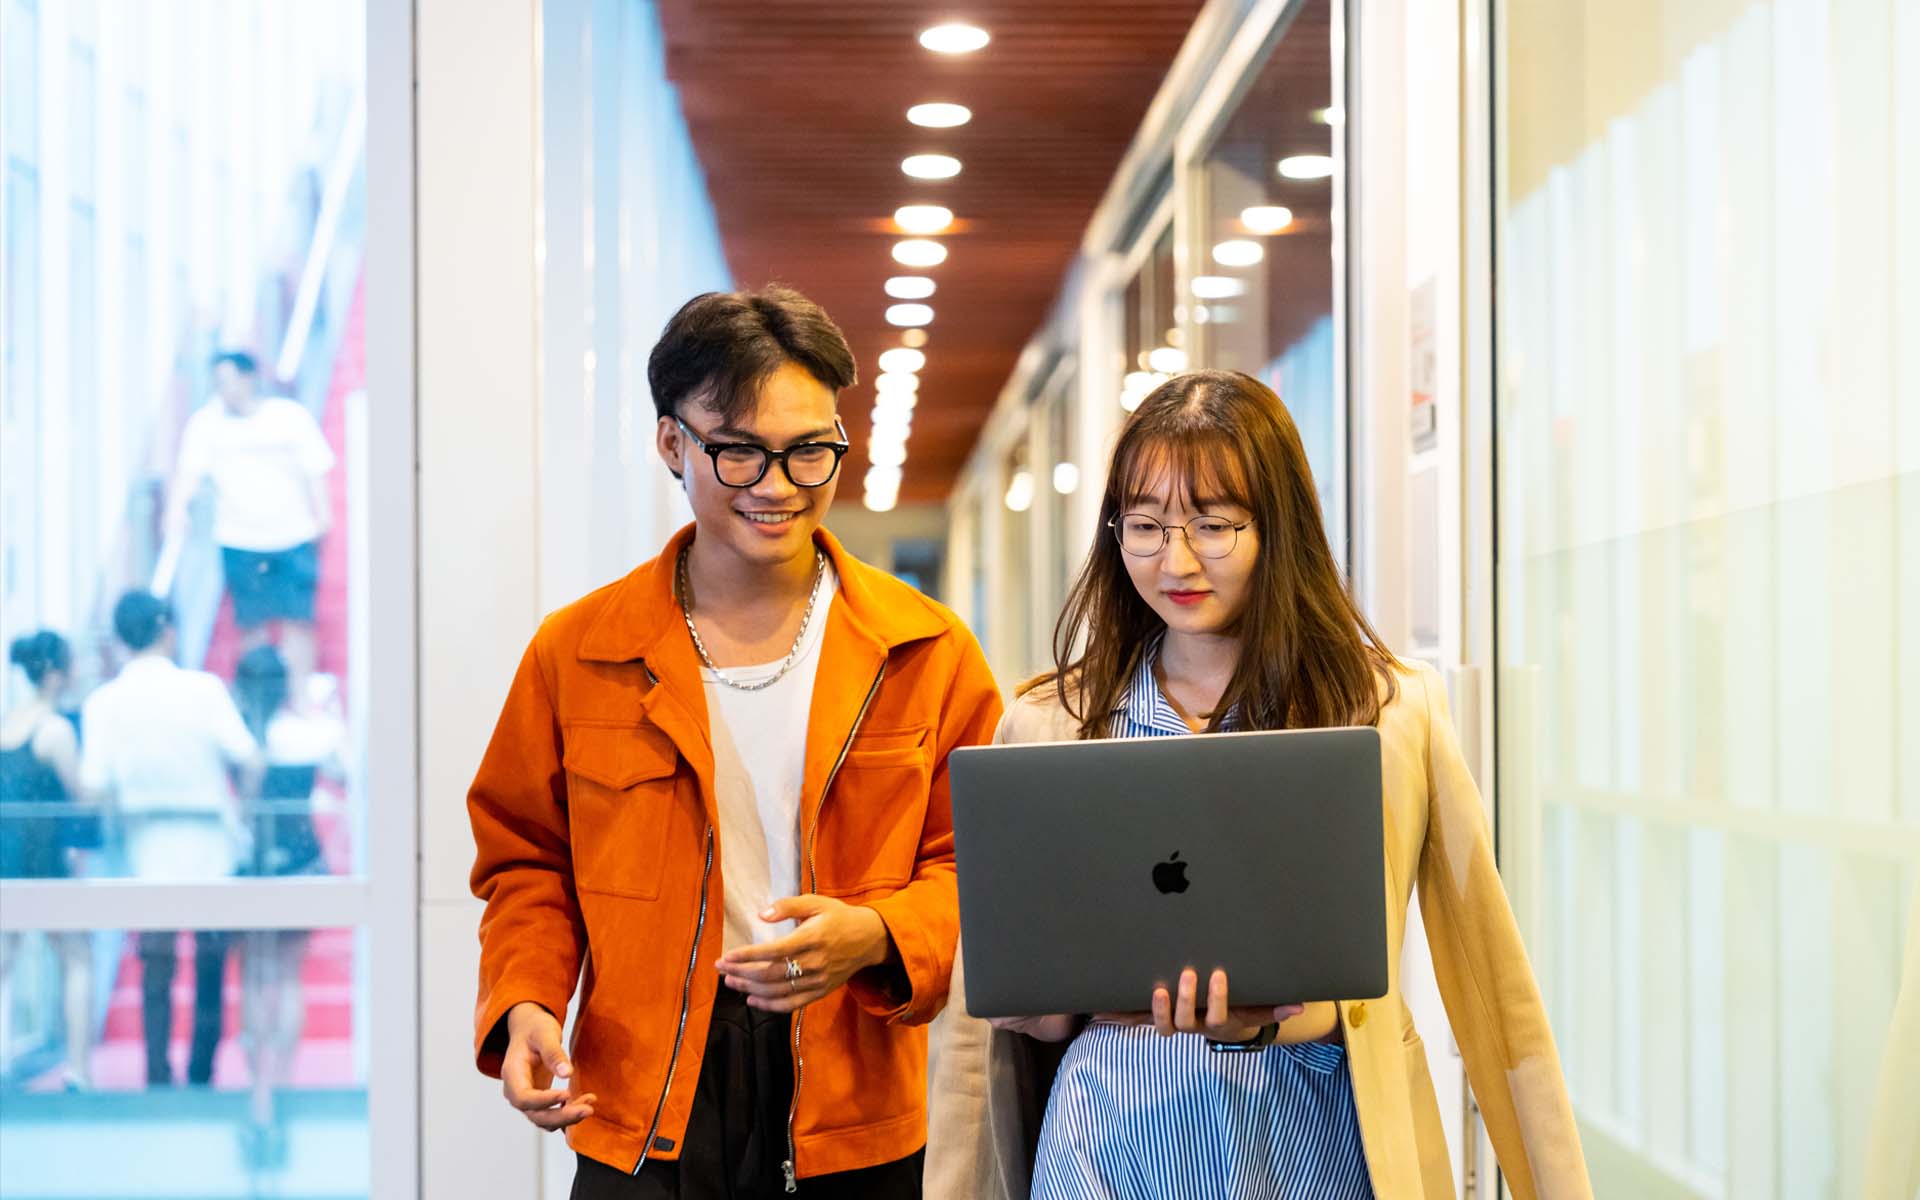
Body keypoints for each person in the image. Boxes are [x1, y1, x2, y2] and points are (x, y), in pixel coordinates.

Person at [924, 370, 1590, 1199]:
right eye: (1144, 526)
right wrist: (1051, 1010)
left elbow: (1492, 982)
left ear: (1278, 528)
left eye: (1212, 525)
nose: (1174, 560)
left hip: (1321, 1134)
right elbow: (975, 1023)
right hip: (1104, 1139)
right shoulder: (1050, 722)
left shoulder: (1389, 710)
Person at [468, 286, 1002, 1198]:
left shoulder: (925, 650)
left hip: (852, 1096)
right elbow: (526, 861)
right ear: (674, 443)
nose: (779, 487)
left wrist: (877, 933)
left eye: (809, 452)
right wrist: (525, 1002)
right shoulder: (581, 651)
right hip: (645, 1093)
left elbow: (988, 865)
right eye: (740, 453)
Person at [81, 591, 259, 1087]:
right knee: (209, 972)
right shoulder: (203, 690)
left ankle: (156, 1075)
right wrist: (243, 806)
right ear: (168, 631)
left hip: (144, 853)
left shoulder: (104, 703)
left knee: (155, 972)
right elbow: (248, 759)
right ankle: (202, 1074)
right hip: (212, 851)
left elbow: (92, 786)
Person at [165, 349, 334, 698]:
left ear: (248, 378)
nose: (222, 389)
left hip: (293, 534)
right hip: (239, 538)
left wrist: (322, 514)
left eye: (227, 380)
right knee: (251, 625)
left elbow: (315, 469)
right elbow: (189, 472)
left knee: (298, 623)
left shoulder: (289, 417)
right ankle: (258, 700)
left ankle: (298, 697)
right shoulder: (206, 423)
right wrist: (176, 509)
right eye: (217, 383)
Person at [231, 644, 344, 1155]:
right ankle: (284, 1081)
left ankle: (259, 1091)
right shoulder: (304, 732)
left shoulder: (240, 739)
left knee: (256, 976)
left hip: (253, 863)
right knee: (289, 976)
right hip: (303, 859)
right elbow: (342, 771)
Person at [0, 631, 96, 1089]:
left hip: (7, 858)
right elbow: (81, 794)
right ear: (56, 674)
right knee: (76, 957)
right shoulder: (54, 729)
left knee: (5, 959)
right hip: (45, 858)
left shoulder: (8, 725)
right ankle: (78, 1068)